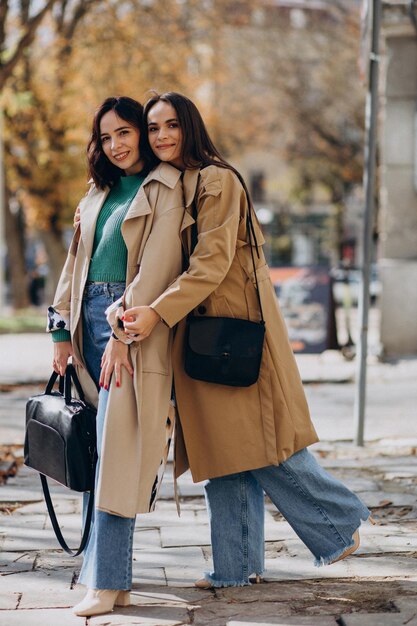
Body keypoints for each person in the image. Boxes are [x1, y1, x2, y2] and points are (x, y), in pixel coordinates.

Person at [120, 91, 372, 589]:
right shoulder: (177, 182)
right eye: (153, 128)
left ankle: (339, 525)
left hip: (233, 335)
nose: (162, 135)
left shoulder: (216, 179)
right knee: (223, 453)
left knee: (263, 447)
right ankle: (236, 568)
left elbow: (211, 262)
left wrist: (156, 311)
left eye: (171, 124)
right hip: (204, 336)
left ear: (190, 126)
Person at [48, 96, 185, 616]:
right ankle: (109, 578)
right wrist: (60, 329)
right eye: (106, 137)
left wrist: (124, 339)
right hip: (88, 322)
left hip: (131, 325)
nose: (117, 145)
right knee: (94, 452)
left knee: (119, 455)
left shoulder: (166, 187)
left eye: (125, 132)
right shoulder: (97, 192)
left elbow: (158, 269)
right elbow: (72, 266)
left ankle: (105, 582)